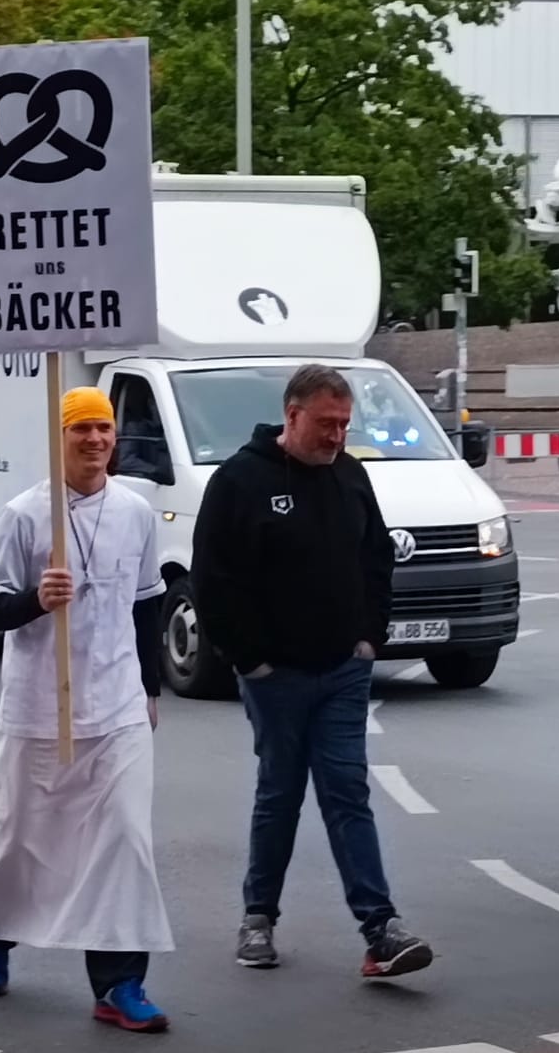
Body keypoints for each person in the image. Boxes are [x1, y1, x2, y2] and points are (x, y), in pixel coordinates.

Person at [192, 363, 431, 978]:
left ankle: (381, 928)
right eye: (326, 423)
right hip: (276, 676)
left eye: (345, 424)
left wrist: (369, 637)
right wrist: (250, 659)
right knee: (281, 791)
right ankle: (258, 917)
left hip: (344, 669)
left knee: (348, 790)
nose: (336, 436)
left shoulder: (350, 476)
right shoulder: (239, 482)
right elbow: (213, 582)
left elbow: (378, 556)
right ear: (292, 414)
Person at [0, 387, 172, 1032]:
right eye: (81, 429)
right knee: (20, 842)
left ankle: (118, 985)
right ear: (59, 439)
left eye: (104, 429)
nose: (94, 440)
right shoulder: (25, 515)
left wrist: (150, 688)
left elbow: (146, 604)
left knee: (125, 843)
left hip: (115, 706)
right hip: (39, 706)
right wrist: (35, 598)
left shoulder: (137, 511)